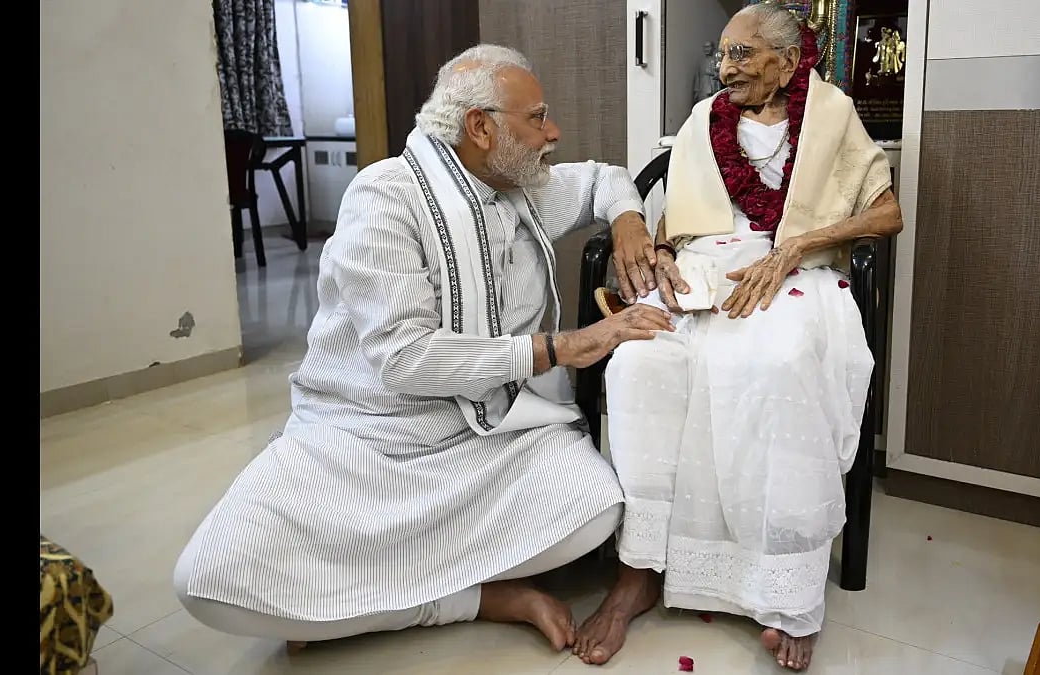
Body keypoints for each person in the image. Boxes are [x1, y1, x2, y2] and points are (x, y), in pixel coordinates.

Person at [172, 43, 673, 652]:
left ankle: (352, 601)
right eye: (537, 117)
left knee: (596, 509)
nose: (554, 132)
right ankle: (477, 598)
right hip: (368, 439)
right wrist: (560, 348)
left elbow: (604, 179)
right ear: (480, 128)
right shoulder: (384, 198)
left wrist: (627, 222)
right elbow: (406, 359)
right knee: (207, 581)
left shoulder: (524, 187)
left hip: (487, 434)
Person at [573, 2, 903, 671]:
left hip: (796, 269)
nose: (724, 68)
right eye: (721, 55)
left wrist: (795, 246)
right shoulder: (704, 120)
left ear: (787, 60)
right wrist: (662, 254)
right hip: (705, 267)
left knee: (777, 361)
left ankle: (786, 590)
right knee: (639, 362)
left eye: (741, 54)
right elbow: (675, 221)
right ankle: (640, 568)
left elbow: (887, 213)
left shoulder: (832, 113)